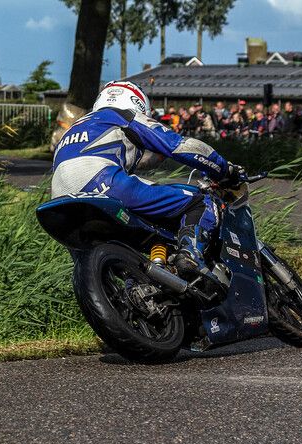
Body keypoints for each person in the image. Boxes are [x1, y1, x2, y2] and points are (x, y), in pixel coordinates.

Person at [50, 81, 243, 297]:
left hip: (60, 199)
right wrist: (224, 169)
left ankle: (133, 294)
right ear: (137, 103)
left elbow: (140, 159)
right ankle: (191, 256)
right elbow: (178, 146)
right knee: (199, 201)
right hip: (101, 181)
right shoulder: (122, 115)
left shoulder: (76, 128)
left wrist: (156, 156)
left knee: (135, 242)